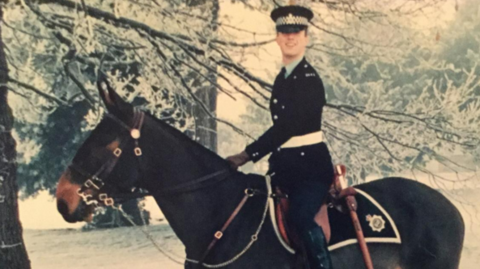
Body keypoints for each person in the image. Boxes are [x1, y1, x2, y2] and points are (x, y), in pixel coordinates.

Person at [226, 4, 334, 269]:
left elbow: (287, 127)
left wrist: (246, 155)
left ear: (306, 37)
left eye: (296, 31)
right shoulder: (283, 78)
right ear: (277, 37)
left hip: (310, 170)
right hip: (284, 169)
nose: (290, 37)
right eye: (284, 31)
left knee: (300, 215)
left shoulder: (309, 79)